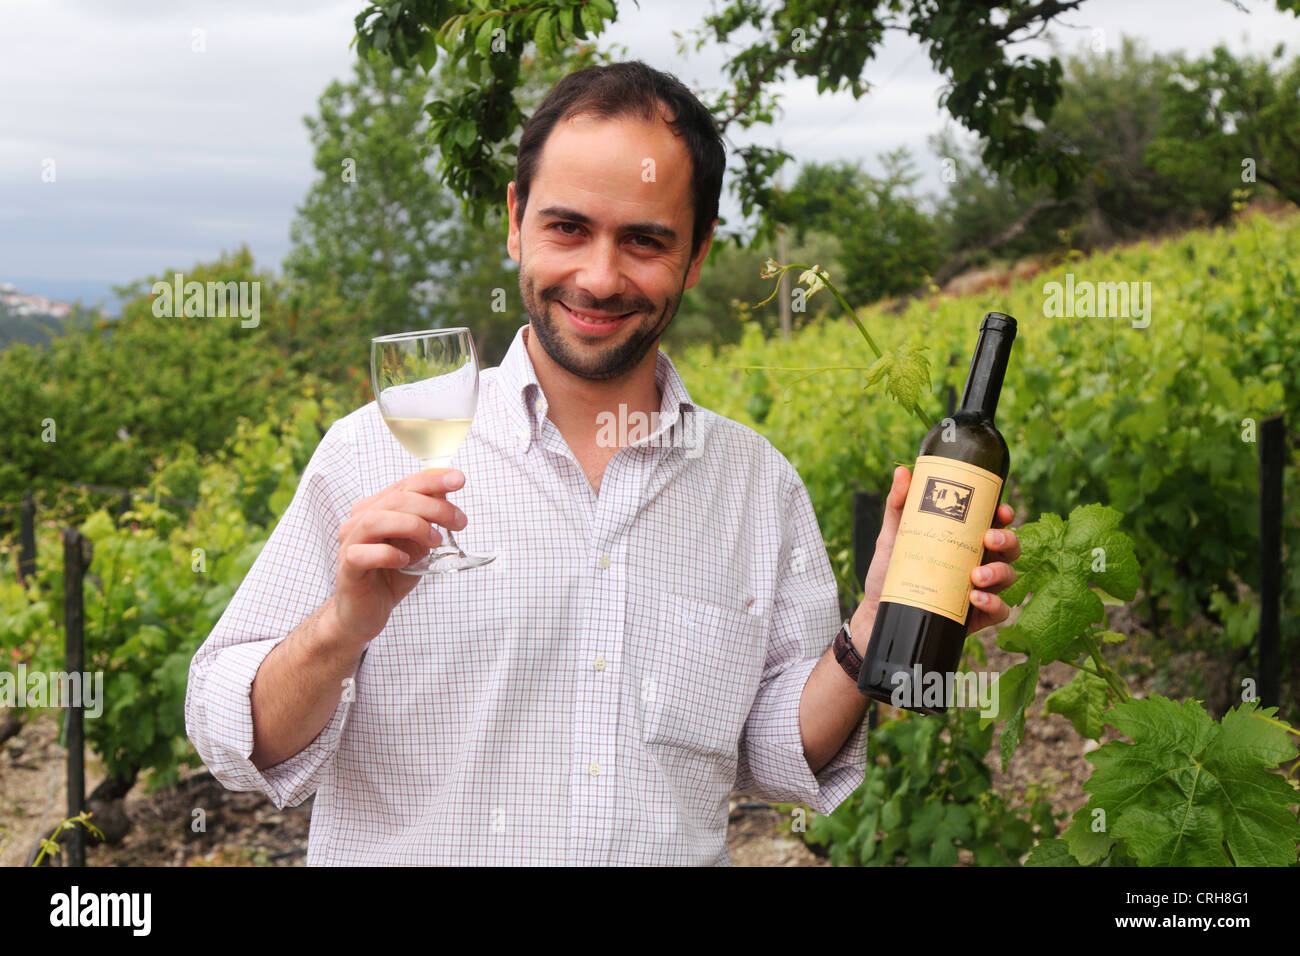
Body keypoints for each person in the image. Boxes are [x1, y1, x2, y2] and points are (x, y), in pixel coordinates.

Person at [185, 60, 1019, 865]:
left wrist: (871, 630)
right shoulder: (373, 448)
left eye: (646, 241)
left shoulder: (755, 485)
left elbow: (771, 753)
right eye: (568, 227)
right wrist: (342, 625)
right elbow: (233, 734)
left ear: (696, 255)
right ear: (516, 220)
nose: (599, 276)